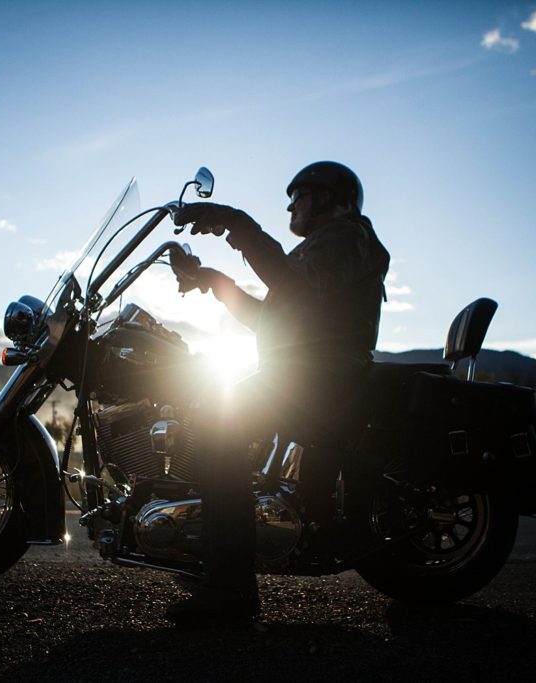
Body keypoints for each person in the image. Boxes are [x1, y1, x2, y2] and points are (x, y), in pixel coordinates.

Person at [164, 161, 390, 626]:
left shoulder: (351, 237)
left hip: (323, 378)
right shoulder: (319, 251)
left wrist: (237, 223)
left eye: (301, 195)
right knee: (211, 416)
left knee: (215, 422)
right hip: (305, 373)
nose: (291, 203)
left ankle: (230, 588)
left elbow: (296, 289)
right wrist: (214, 282)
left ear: (333, 199)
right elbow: (274, 316)